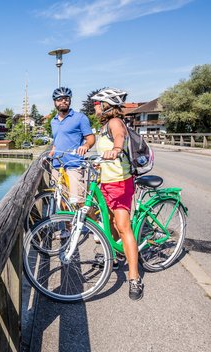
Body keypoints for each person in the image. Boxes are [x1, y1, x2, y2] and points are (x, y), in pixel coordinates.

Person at [91, 87, 143, 301]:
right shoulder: (103, 126)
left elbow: (119, 137)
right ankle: (112, 257)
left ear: (106, 105)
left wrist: (117, 149)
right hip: (106, 182)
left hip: (120, 183)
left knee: (123, 227)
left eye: (97, 103)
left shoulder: (114, 123)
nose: (94, 107)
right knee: (109, 221)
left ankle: (134, 277)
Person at [49, 87, 95, 207]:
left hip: (74, 164)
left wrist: (86, 145)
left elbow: (91, 138)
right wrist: (52, 152)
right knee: (62, 201)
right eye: (59, 99)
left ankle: (94, 224)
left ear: (70, 101)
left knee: (79, 201)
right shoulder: (53, 121)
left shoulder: (80, 118)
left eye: (66, 99)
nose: (63, 101)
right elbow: (57, 140)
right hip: (57, 165)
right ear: (54, 102)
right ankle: (68, 226)